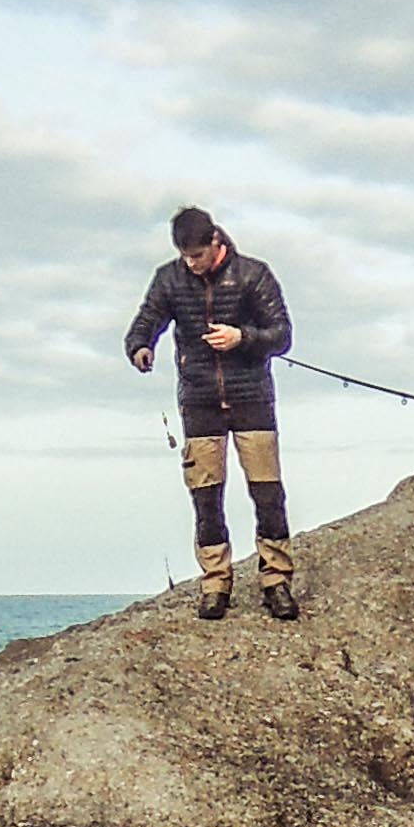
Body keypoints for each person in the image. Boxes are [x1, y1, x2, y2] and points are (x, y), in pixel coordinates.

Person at [125, 202, 299, 621]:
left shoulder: (253, 274)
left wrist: (242, 337)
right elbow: (145, 321)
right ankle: (215, 584)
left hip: (252, 396)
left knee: (267, 494)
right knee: (206, 499)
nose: (192, 263)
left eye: (198, 255)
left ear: (215, 241)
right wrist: (140, 347)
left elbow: (282, 335)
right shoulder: (169, 279)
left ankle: (276, 580)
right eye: (185, 256)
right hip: (199, 399)